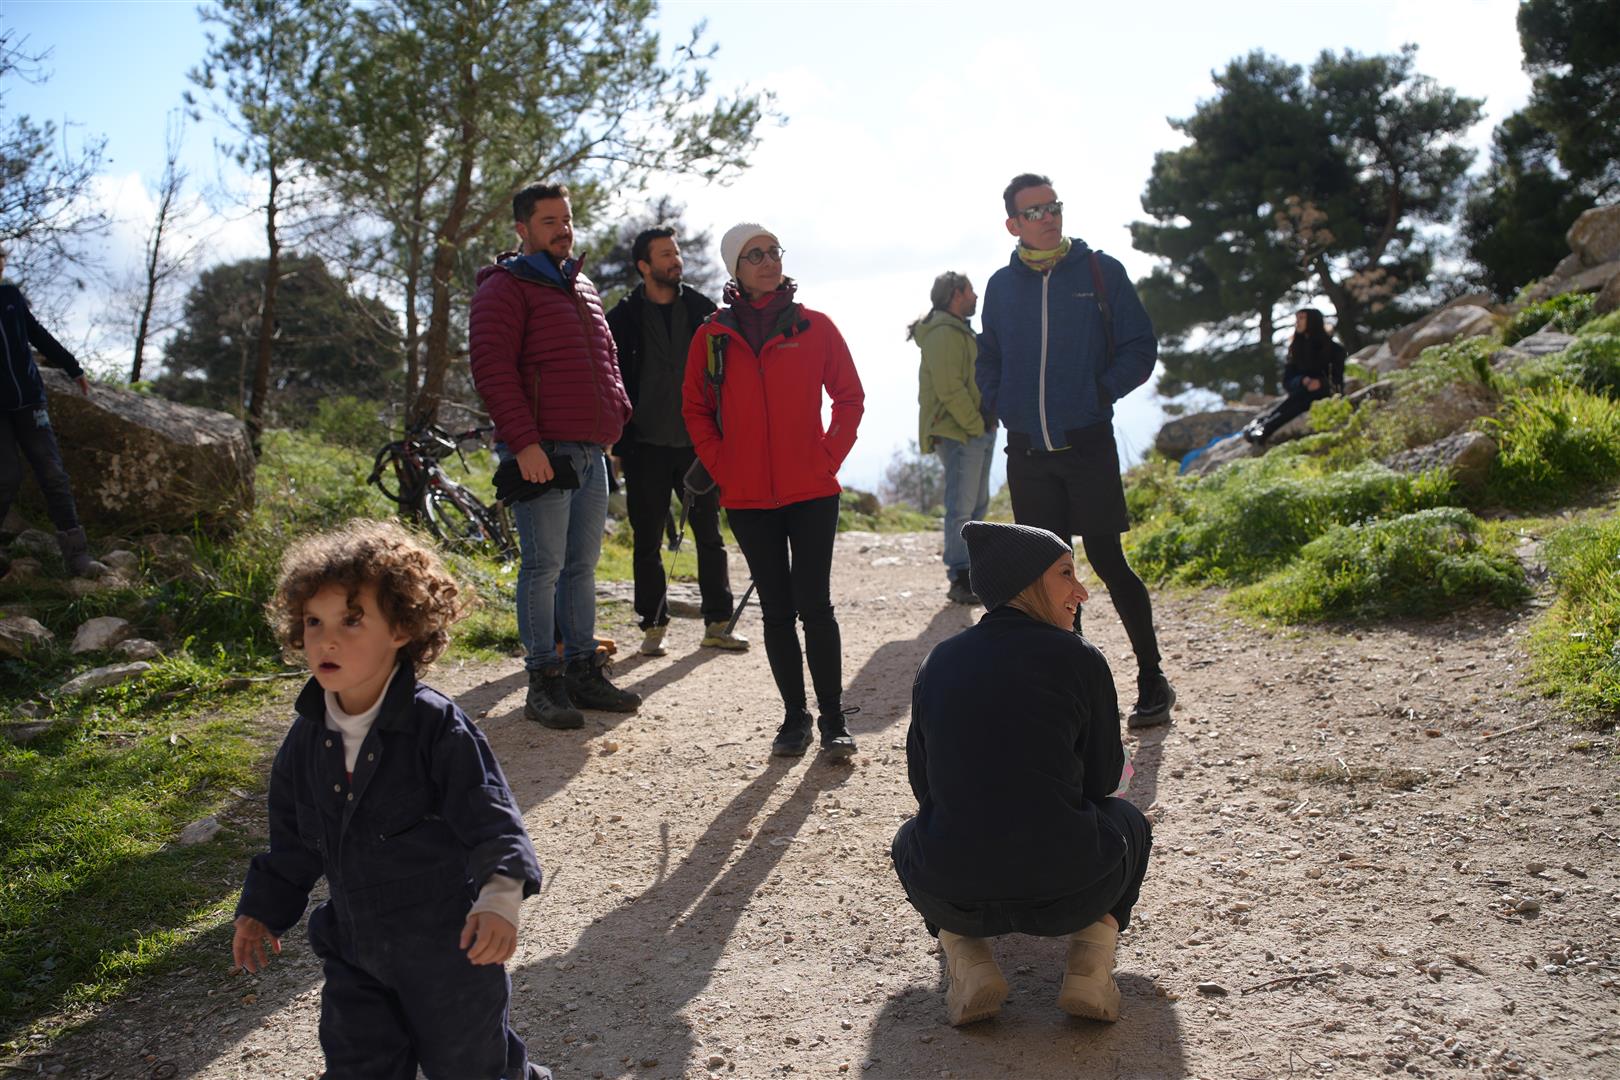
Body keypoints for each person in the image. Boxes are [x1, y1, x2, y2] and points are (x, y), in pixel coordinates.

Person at [233, 521, 549, 1079]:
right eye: (313, 621)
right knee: (359, 1066)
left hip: (450, 951)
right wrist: (262, 909)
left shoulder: (435, 726)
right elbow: (293, 842)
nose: (326, 640)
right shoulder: (306, 739)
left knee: (474, 1067)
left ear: (401, 628)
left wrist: (500, 896)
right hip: (354, 949)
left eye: (351, 620)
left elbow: (491, 818)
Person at [891, 521, 1152, 1027]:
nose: (1081, 592)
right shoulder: (1080, 657)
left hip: (953, 894)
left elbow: (925, 788)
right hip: (1073, 892)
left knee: (910, 838)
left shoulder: (938, 660)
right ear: (1025, 582)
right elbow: (1103, 781)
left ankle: (969, 961)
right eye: (1066, 574)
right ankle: (1090, 964)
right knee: (1130, 822)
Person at [977, 172, 1175, 728]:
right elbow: (988, 355)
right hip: (1028, 453)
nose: (1048, 217)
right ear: (1013, 224)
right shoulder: (1000, 286)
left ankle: (1152, 679)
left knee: (1108, 562)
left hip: (1087, 444)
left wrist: (1098, 393)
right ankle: (1075, 691)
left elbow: (1140, 347)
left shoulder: (1099, 272)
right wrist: (1000, 401)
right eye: (1034, 212)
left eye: (1053, 207)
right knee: (1049, 576)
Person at [683, 223, 865, 758]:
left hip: (812, 491)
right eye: (754, 255)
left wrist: (827, 456)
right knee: (777, 611)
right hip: (747, 497)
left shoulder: (815, 326)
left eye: (772, 252)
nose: (768, 262)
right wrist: (724, 466)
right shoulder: (711, 337)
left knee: (816, 606)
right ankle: (794, 718)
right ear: (735, 270)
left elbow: (849, 398)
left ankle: (833, 719)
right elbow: (695, 408)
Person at [469, 182, 640, 730]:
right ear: (522, 229)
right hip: (542, 450)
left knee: (581, 568)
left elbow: (607, 357)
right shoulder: (505, 286)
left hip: (590, 451)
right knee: (544, 568)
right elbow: (492, 369)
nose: (563, 229)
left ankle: (583, 671)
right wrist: (524, 444)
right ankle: (543, 680)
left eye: (566, 220)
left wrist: (616, 417)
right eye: (550, 221)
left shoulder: (581, 284)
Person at [604, 226, 746, 657]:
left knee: (709, 536)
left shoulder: (704, 311)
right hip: (643, 445)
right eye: (665, 254)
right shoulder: (622, 317)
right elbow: (610, 379)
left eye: (677, 252)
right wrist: (615, 438)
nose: (676, 260)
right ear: (644, 266)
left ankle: (718, 623)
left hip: (697, 444)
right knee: (647, 541)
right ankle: (653, 626)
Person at [0, 245, 96, 576]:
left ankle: (78, 558)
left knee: (53, 473)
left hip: (30, 400)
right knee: (6, 476)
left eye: (1, 263)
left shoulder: (11, 296)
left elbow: (37, 333)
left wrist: (72, 366)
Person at [909, 271, 994, 606]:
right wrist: (975, 425)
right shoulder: (943, 333)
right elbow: (949, 388)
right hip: (960, 432)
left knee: (977, 504)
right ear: (956, 294)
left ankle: (973, 573)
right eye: (971, 290)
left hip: (973, 430)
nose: (975, 296)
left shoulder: (957, 329)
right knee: (962, 507)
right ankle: (960, 576)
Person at [1242, 308, 1347, 445]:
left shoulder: (1335, 349)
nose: (1297, 323)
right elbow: (1287, 381)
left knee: (1297, 403)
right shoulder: (1296, 349)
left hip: (1323, 395)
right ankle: (1261, 425)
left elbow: (1338, 382)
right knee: (1289, 404)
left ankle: (1265, 429)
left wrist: (1321, 383)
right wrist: (1302, 380)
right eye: (1297, 319)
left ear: (1313, 321)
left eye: (1302, 318)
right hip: (1300, 393)